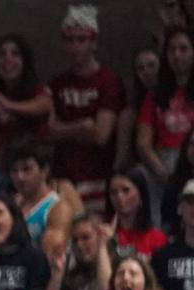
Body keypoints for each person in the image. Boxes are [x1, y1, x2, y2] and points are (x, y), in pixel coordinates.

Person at [47, 5, 123, 215]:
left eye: (81, 40)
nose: (75, 46)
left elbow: (101, 134)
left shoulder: (109, 81)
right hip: (63, 176)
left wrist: (64, 130)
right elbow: (48, 131)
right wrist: (82, 126)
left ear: (94, 43)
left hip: (99, 175)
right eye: (70, 41)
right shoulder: (57, 83)